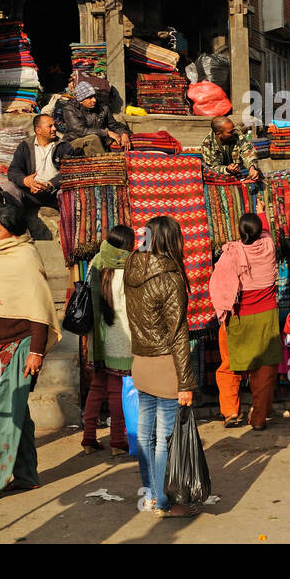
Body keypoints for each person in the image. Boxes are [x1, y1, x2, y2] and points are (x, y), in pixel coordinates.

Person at [0, 202, 61, 506]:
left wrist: (36, 352)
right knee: (15, 410)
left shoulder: (26, 258)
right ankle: (26, 474)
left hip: (17, 347)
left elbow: (39, 311)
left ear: (13, 230)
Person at [125, 216, 199, 517]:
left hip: (140, 362)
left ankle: (152, 494)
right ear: (172, 240)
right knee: (164, 438)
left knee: (146, 434)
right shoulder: (169, 276)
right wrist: (186, 382)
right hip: (165, 364)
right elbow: (179, 332)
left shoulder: (132, 268)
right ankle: (165, 501)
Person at [209, 209, 281, 430]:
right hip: (267, 317)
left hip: (239, 317)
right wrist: (261, 210)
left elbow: (220, 286)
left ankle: (231, 413)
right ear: (260, 232)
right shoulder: (269, 247)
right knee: (265, 370)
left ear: (240, 232)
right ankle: (259, 419)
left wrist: (222, 311)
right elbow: (267, 232)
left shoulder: (232, 254)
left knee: (230, 366)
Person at [81, 225, 136, 456]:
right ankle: (116, 441)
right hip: (120, 337)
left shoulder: (95, 262)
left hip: (97, 336)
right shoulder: (128, 268)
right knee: (116, 390)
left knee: (96, 387)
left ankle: (88, 439)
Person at [56, 80, 132, 156]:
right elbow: (80, 131)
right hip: (75, 142)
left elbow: (113, 125)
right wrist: (106, 132)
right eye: (89, 97)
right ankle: (102, 165)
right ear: (81, 100)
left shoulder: (103, 108)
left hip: (97, 143)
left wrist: (123, 133)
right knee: (93, 139)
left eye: (94, 96)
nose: (94, 100)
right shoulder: (70, 109)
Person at [7, 113, 60, 210]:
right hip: (31, 192)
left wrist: (49, 184)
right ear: (38, 130)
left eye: (54, 125)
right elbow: (13, 171)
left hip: (55, 193)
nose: (54, 129)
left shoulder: (63, 146)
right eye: (50, 126)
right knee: (10, 190)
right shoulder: (25, 146)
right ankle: (16, 223)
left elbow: (68, 173)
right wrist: (26, 181)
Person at [200, 116, 260, 181]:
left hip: (239, 172)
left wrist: (252, 167)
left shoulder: (237, 134)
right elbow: (212, 167)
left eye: (233, 129)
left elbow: (247, 149)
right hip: (222, 175)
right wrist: (227, 169)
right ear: (219, 134)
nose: (233, 133)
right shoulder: (207, 144)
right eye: (230, 132)